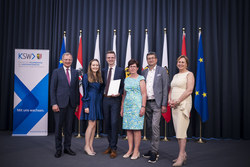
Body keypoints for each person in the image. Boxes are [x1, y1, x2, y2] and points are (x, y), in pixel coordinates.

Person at [50, 52, 79, 158]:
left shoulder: (75, 72)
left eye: (70, 59)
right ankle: (58, 149)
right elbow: (52, 89)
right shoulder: (56, 72)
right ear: (62, 60)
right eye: (66, 59)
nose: (68, 61)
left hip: (71, 105)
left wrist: (76, 104)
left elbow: (76, 89)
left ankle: (67, 148)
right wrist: (54, 103)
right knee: (58, 128)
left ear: (72, 60)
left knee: (69, 128)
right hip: (59, 105)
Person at [141, 52, 169, 163]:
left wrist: (164, 104)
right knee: (149, 127)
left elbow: (165, 88)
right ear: (147, 60)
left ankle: (154, 152)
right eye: (149, 58)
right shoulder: (144, 72)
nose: (151, 60)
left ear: (156, 59)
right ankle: (152, 148)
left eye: (152, 58)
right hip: (146, 103)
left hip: (157, 103)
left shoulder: (162, 71)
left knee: (154, 126)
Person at [168, 55, 195, 166]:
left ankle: (181, 156)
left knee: (181, 131)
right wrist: (170, 100)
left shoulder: (189, 74)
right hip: (174, 105)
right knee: (178, 131)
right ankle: (183, 154)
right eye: (179, 62)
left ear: (186, 64)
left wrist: (178, 100)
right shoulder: (175, 75)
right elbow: (171, 89)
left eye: (183, 62)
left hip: (183, 104)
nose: (180, 64)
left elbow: (189, 90)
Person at [120, 59, 147, 160]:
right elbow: (124, 94)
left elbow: (144, 94)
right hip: (127, 106)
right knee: (129, 129)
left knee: (136, 129)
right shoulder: (126, 79)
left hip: (137, 106)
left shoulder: (141, 78)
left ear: (137, 68)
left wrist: (143, 107)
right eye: (130, 66)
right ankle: (130, 149)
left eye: (134, 66)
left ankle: (136, 151)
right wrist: (122, 107)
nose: (132, 68)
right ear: (128, 68)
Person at [102, 50, 125, 159]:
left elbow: (123, 86)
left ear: (115, 58)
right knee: (107, 124)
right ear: (106, 59)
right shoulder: (103, 70)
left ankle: (114, 148)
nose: (110, 59)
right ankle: (110, 145)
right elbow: (102, 85)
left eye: (112, 57)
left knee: (114, 123)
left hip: (115, 100)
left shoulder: (121, 70)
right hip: (105, 100)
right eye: (109, 57)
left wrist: (119, 93)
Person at [81, 59, 103, 156]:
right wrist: (85, 105)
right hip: (90, 102)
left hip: (97, 102)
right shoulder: (86, 77)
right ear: (90, 66)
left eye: (97, 65)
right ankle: (86, 146)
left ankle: (90, 145)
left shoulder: (99, 76)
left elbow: (100, 90)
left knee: (94, 125)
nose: (95, 67)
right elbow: (85, 92)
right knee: (91, 124)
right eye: (93, 65)